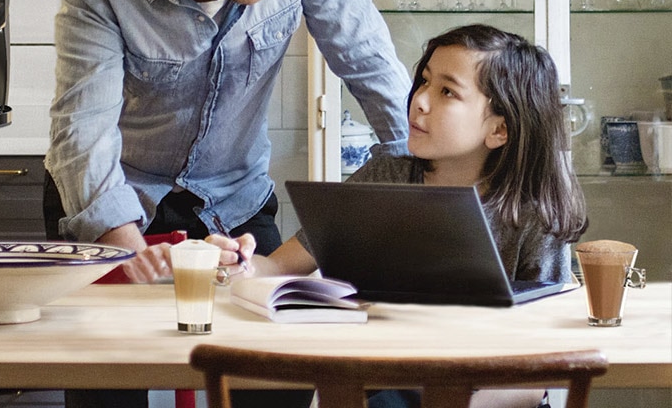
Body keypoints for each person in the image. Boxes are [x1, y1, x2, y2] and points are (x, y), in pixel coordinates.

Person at [43, 0, 410, 408]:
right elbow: (82, 132)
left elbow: (372, 67)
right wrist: (130, 252)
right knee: (110, 382)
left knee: (275, 384)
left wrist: (417, 173)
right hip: (119, 194)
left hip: (235, 198)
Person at [210, 24, 588, 408]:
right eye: (424, 81)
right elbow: (277, 268)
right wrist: (236, 263)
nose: (420, 100)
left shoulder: (535, 214)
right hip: (383, 391)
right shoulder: (383, 177)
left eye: (447, 92)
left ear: (500, 130)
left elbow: (542, 364)